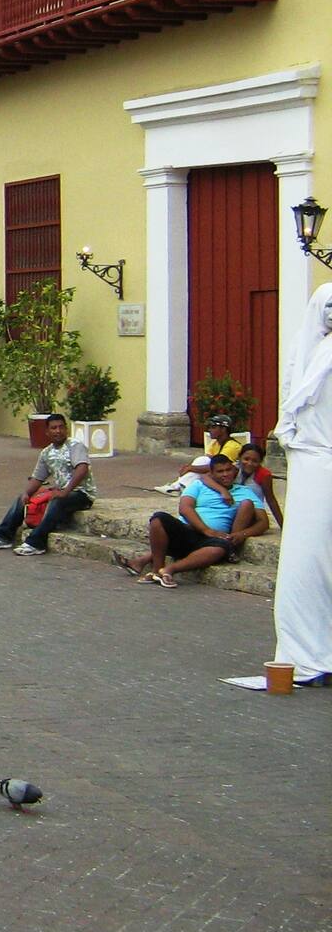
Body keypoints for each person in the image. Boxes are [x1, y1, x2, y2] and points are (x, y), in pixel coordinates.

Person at [273, 281, 332, 685]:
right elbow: (290, 409)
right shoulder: (308, 351)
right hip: (313, 462)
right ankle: (308, 653)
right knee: (306, 561)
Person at [114, 453, 267, 587]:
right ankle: (156, 570)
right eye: (220, 471)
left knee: (219, 549)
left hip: (213, 540)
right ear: (212, 473)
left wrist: (242, 534)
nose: (225, 474)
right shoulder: (198, 485)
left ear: (234, 471)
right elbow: (185, 508)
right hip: (189, 531)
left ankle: (168, 570)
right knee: (158, 519)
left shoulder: (245, 492)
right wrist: (206, 530)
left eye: (228, 470)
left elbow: (263, 522)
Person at [0, 413, 95, 556]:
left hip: (81, 494)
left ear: (66, 429)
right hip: (61, 491)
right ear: (47, 432)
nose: (58, 431)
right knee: (22, 499)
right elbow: (38, 478)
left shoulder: (75, 446)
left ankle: (36, 543)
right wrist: (27, 493)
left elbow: (82, 469)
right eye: (53, 428)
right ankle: (2, 536)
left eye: (61, 427)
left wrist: (65, 492)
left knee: (57, 501)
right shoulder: (46, 453)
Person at [154, 414, 244, 495]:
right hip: (217, 474)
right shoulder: (215, 443)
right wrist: (190, 468)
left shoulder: (232, 446)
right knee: (202, 461)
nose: (209, 430)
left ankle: (179, 487)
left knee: (202, 462)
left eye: (213, 427)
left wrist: (190, 468)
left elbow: (219, 467)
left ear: (223, 429)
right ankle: (179, 486)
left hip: (228, 477)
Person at [235, 443, 284, 529]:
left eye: (255, 461)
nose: (249, 463)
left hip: (252, 513)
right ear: (239, 457)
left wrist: (283, 526)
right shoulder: (233, 469)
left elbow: (271, 499)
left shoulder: (263, 475)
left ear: (260, 462)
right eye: (246, 459)